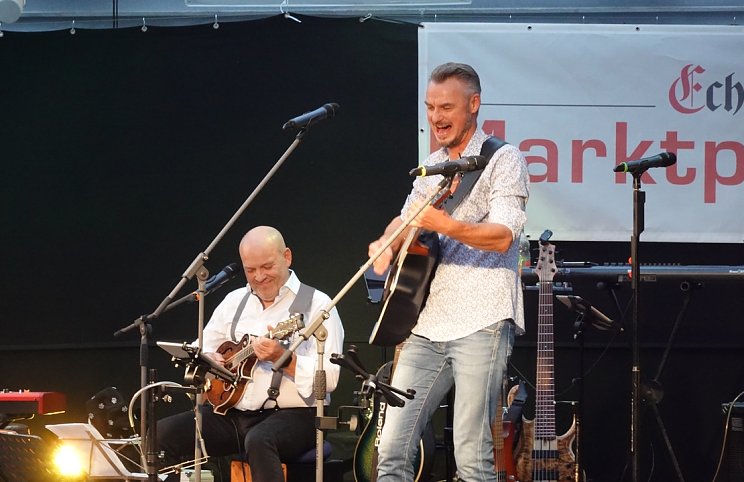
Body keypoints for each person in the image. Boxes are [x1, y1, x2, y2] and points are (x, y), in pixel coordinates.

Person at [367, 62, 530, 481]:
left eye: (446, 107)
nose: (436, 117)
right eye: (430, 107)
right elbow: (405, 220)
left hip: (484, 321)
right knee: (390, 449)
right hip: (429, 324)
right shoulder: (433, 164)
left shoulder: (503, 159)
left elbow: (503, 236)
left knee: (472, 454)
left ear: (473, 105)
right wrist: (387, 245)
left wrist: (448, 226)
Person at [156, 226, 345, 482]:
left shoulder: (317, 304)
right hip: (234, 415)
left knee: (259, 440)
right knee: (162, 433)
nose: (259, 277)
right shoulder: (235, 301)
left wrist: (284, 358)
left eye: (267, 267)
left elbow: (330, 379)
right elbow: (200, 347)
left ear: (287, 256)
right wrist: (210, 359)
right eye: (250, 270)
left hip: (296, 416)